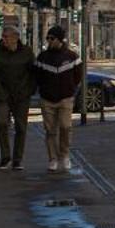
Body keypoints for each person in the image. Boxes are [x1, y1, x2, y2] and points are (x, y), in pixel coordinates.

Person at [32, 25, 84, 174]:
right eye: (47, 38)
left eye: (52, 38)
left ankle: (65, 155)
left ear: (60, 40)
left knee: (66, 127)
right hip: (47, 99)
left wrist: (70, 89)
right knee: (50, 131)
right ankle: (52, 159)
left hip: (65, 98)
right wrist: (42, 89)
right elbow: (37, 75)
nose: (49, 41)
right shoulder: (42, 57)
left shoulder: (72, 57)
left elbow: (78, 75)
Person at [0, 24, 36, 170]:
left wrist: (29, 90)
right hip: (1, 94)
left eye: (7, 37)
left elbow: (33, 73)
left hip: (21, 95)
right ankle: (5, 156)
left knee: (21, 126)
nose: (4, 40)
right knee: (1, 122)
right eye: (3, 37)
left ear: (16, 38)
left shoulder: (26, 52)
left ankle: (18, 159)